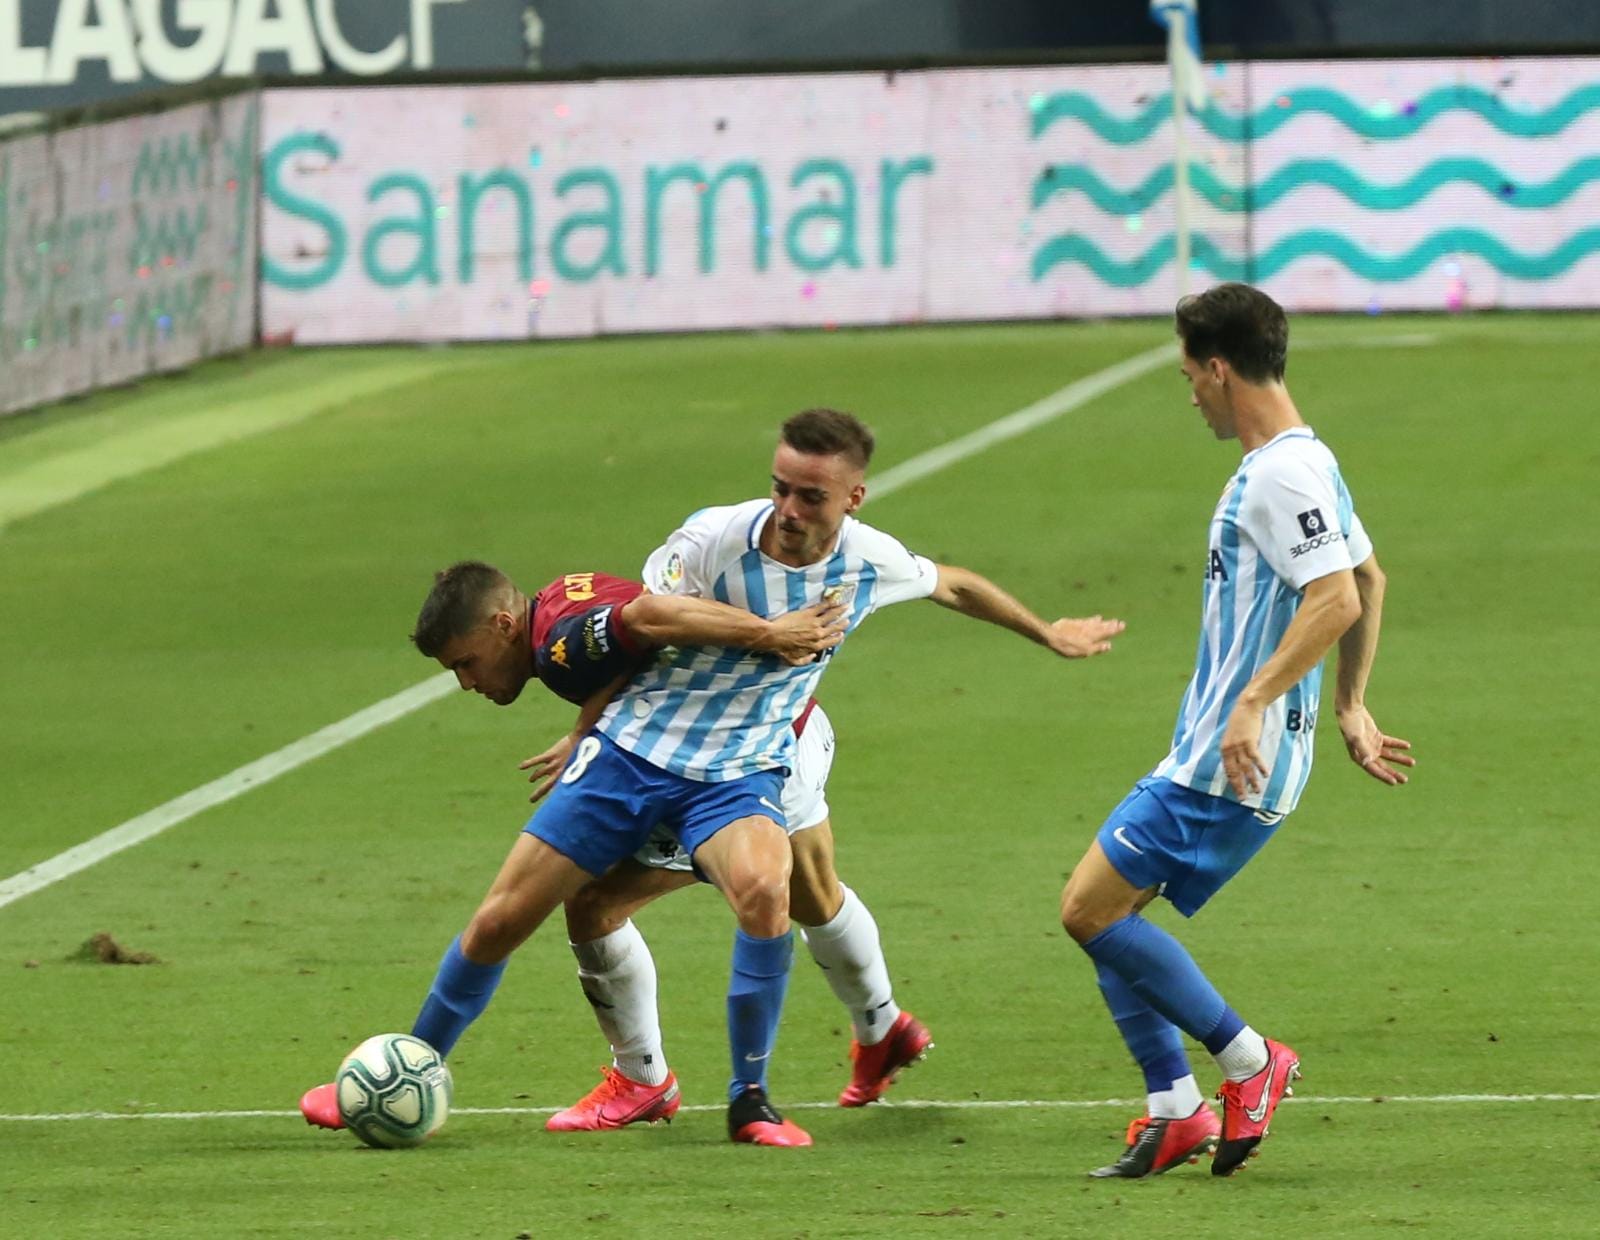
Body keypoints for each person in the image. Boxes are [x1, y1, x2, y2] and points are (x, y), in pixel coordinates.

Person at [307, 407, 1123, 1147]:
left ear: (854, 499)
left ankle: (738, 1088)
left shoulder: (868, 562)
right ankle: (426, 1063)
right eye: (780, 489)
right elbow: (650, 619)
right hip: (645, 751)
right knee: (538, 915)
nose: (789, 511)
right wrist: (763, 637)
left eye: (811, 496)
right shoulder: (712, 540)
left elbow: (951, 582)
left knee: (777, 894)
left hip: (757, 759)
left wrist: (1047, 632)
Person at [1057, 283, 1413, 1179]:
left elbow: (1335, 596)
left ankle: (1250, 1063)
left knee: (1087, 910)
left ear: (1220, 369)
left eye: (1189, 375)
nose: (1189, 394)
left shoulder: (1280, 473)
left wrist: (1255, 701)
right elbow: (1369, 577)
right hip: (1228, 752)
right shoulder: (1308, 458)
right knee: (1115, 912)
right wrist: (1350, 704)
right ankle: (1173, 1109)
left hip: (1232, 758)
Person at [541, 696, 932, 1133]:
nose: (468, 680)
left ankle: (642, 1077)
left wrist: (587, 732)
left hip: (728, 755)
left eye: (468, 663)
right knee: (812, 895)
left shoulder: (577, 633)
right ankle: (883, 1024)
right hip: (793, 730)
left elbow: (649, 641)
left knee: (594, 899)